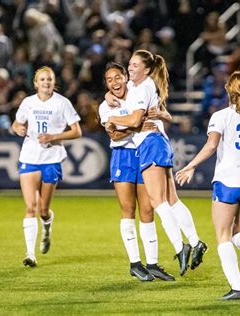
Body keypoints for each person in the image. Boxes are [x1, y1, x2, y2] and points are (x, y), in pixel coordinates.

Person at [176, 71, 240, 300]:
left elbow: (211, 146)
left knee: (222, 236)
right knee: (237, 233)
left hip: (227, 182)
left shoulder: (221, 116)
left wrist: (191, 165)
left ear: (228, 92)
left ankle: (237, 289)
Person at [107, 50, 207, 276]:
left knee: (158, 202)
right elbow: (161, 114)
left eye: (134, 65)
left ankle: (181, 247)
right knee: (171, 200)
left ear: (147, 70)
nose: (129, 68)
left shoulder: (143, 87)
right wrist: (160, 114)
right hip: (157, 142)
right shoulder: (137, 86)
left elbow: (133, 119)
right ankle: (196, 241)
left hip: (150, 144)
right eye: (129, 65)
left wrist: (114, 118)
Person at [99, 62, 174, 281]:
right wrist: (137, 127)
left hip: (143, 153)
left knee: (148, 210)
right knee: (128, 209)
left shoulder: (138, 95)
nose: (114, 83)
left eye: (117, 77)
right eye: (109, 80)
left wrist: (133, 126)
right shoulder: (106, 107)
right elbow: (113, 135)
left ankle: (152, 264)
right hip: (123, 156)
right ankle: (135, 263)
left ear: (126, 78)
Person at [12, 66, 82, 267]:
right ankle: (30, 254)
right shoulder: (28, 102)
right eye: (42, 79)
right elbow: (16, 125)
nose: (46, 82)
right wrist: (18, 129)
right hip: (30, 156)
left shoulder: (62, 103)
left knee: (43, 209)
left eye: (49, 79)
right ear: (36, 83)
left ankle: (47, 228)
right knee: (30, 207)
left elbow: (77, 131)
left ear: (54, 82)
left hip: (52, 158)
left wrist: (54, 136)